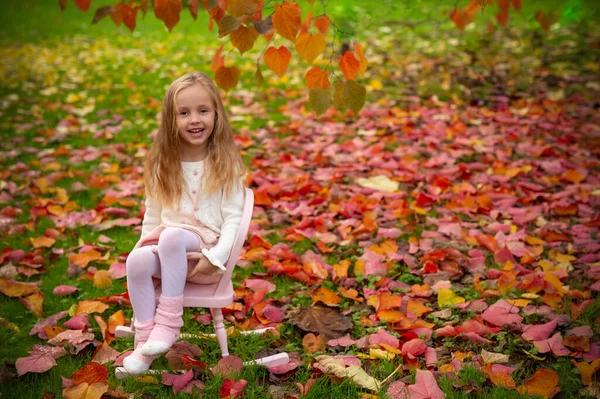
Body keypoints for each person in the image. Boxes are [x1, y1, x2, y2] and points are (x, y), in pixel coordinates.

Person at [123, 72, 247, 375]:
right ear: (171, 119)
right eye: (184, 112)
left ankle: (168, 323)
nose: (195, 119)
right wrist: (143, 248)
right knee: (137, 260)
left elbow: (233, 219)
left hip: (202, 261)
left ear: (216, 114)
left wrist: (216, 257)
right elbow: (152, 218)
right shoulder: (162, 163)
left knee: (173, 236)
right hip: (168, 261)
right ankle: (144, 347)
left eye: (203, 110)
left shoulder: (224, 161)